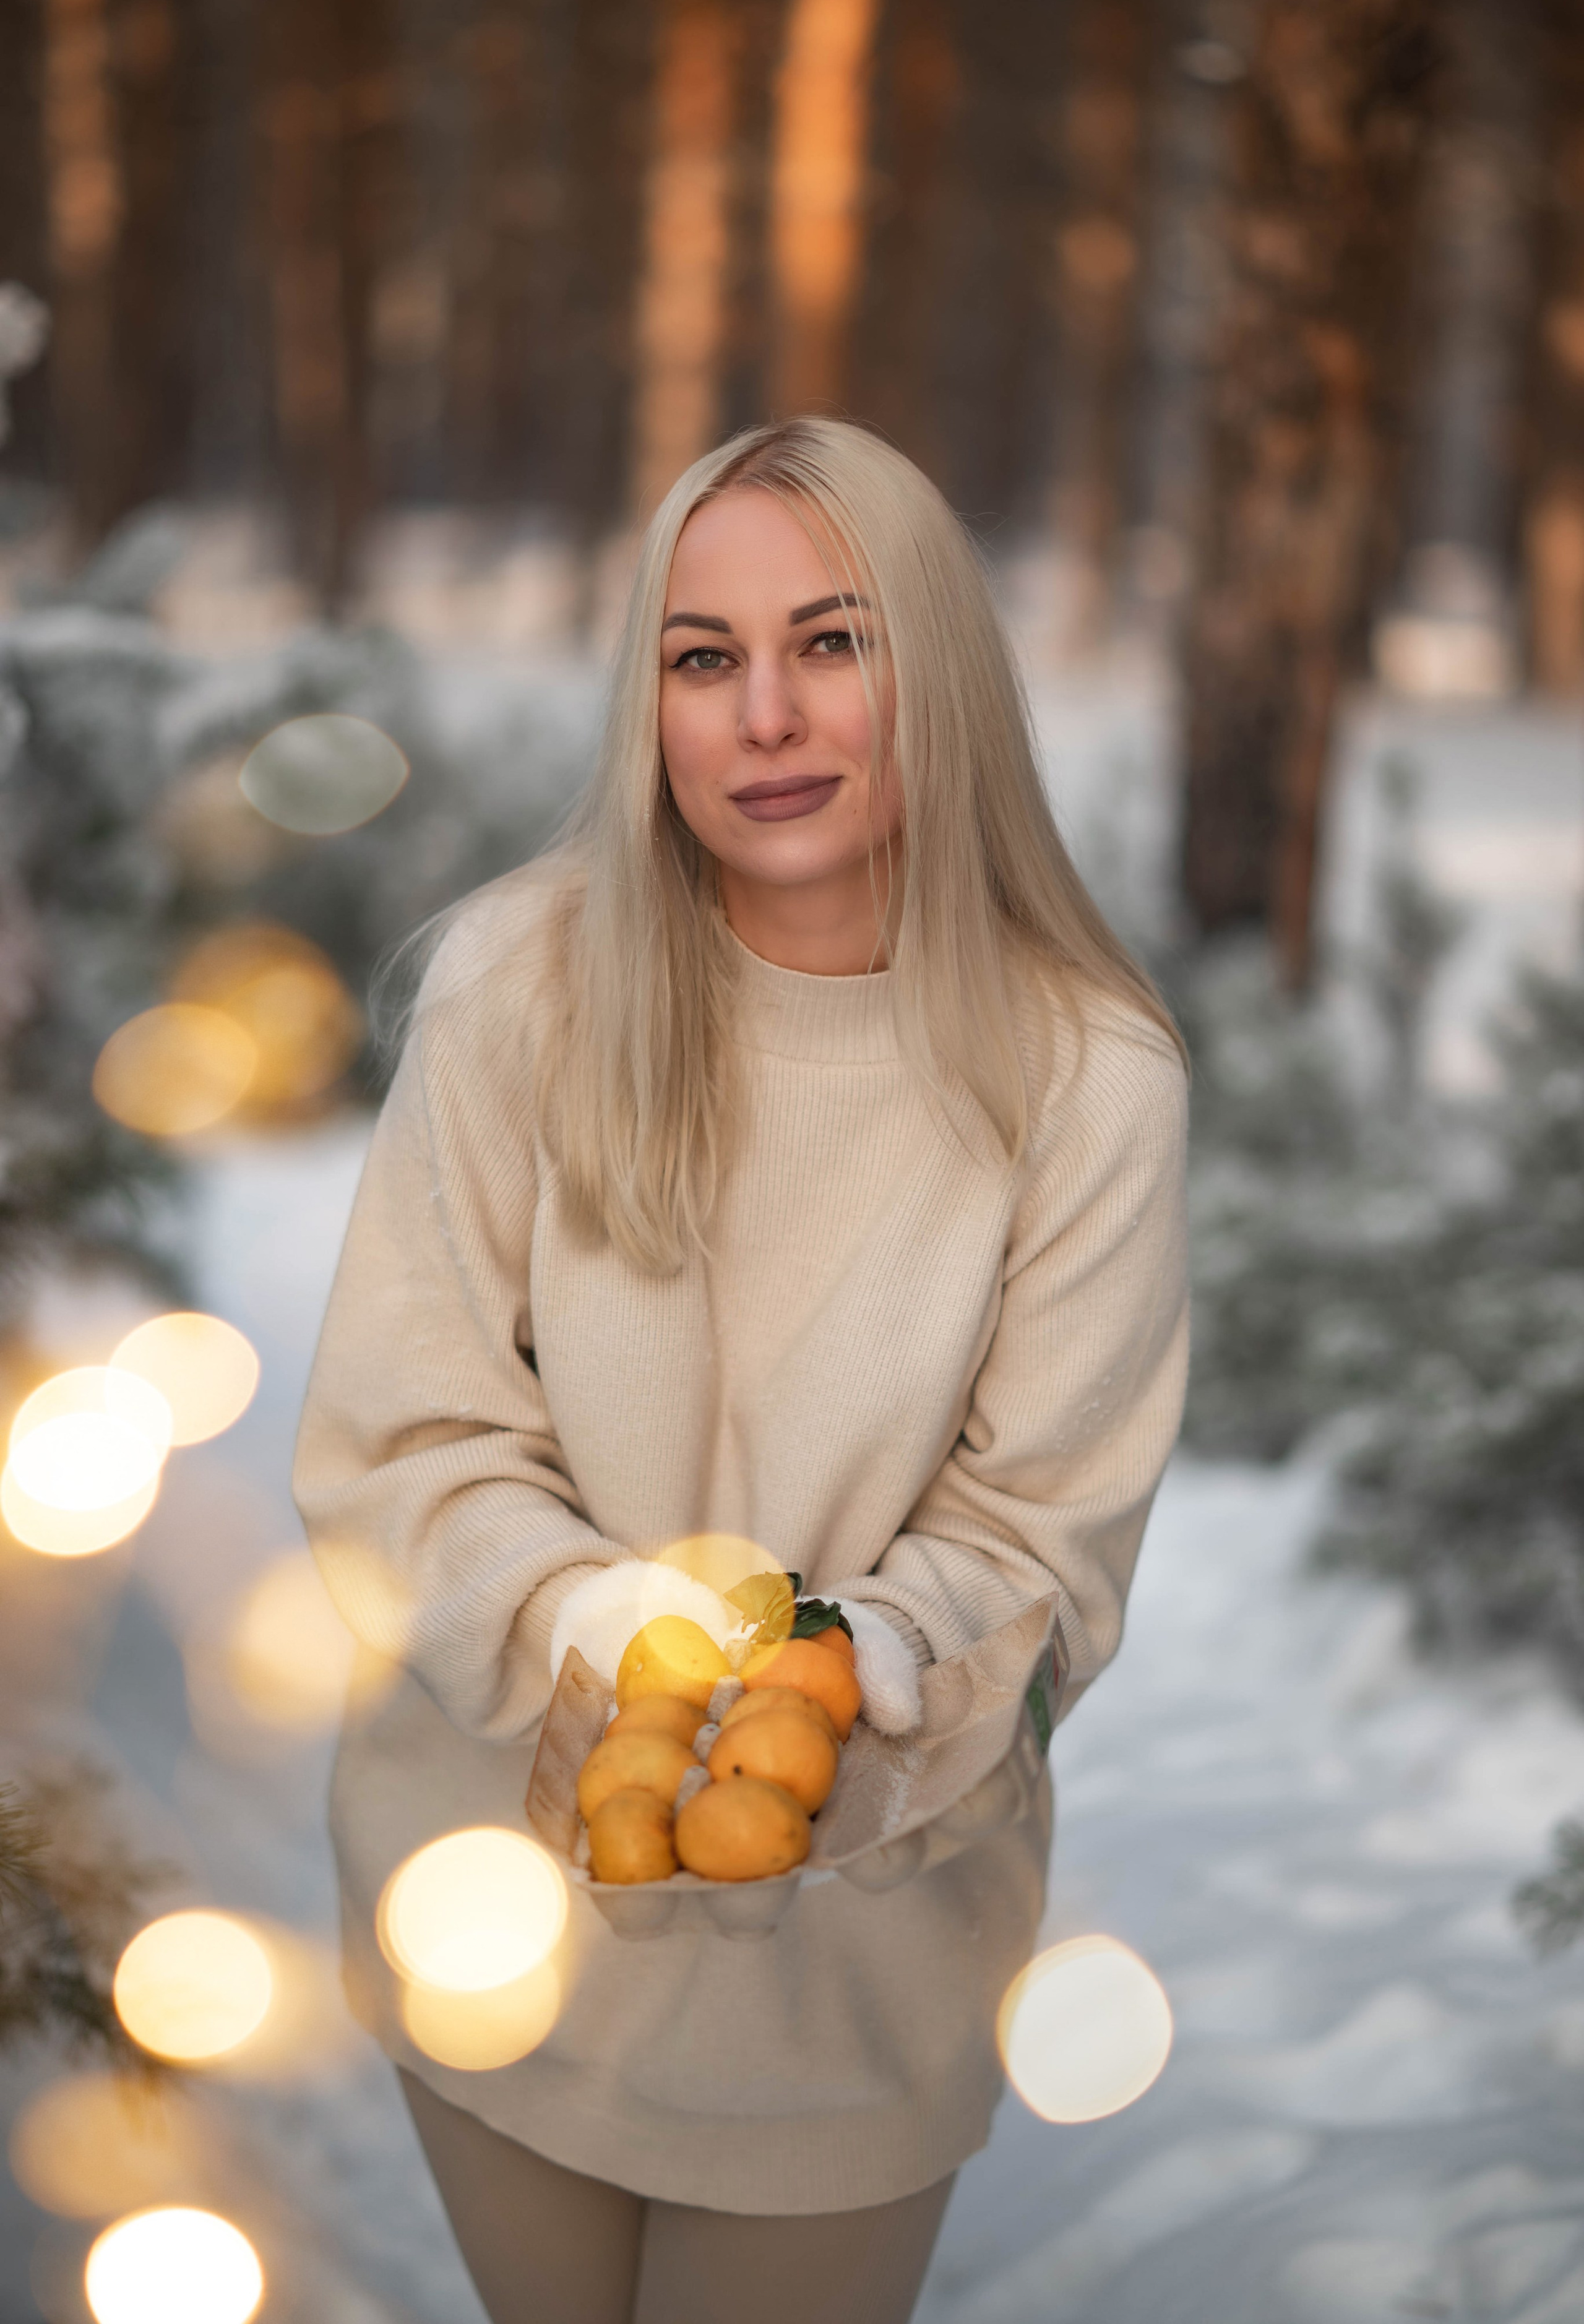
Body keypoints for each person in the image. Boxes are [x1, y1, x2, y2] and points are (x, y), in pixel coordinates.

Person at [293, 416, 1189, 2324]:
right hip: (499, 1902)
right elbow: (403, 1436)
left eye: (832, 641)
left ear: (932, 666)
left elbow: (1047, 1527)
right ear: (654, 703)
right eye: (705, 658)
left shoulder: (1086, 1075)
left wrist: (852, 1652)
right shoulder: (523, 986)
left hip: (854, 1968)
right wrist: (592, 1619)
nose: (765, 713)